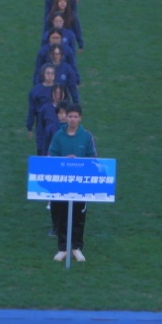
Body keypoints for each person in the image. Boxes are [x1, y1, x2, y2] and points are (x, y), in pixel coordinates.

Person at [47, 103, 96, 263]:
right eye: (70, 116)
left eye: (76, 116)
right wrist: (64, 160)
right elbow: (51, 157)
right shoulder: (58, 136)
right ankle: (62, 248)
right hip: (61, 184)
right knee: (61, 215)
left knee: (78, 216)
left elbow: (93, 159)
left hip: (80, 185)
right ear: (65, 117)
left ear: (80, 118)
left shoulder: (86, 137)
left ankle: (76, 247)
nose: (73, 119)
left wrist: (78, 162)